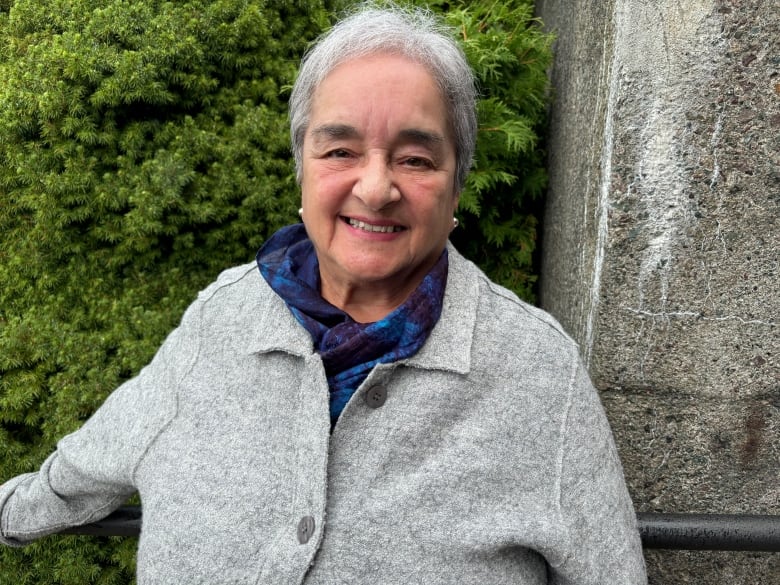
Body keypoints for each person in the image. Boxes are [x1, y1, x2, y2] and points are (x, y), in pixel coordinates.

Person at [0, 3, 647, 583]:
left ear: (456, 190)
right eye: (339, 150)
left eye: (416, 159)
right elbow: (86, 463)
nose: (375, 187)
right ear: (302, 171)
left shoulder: (537, 371)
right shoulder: (221, 317)